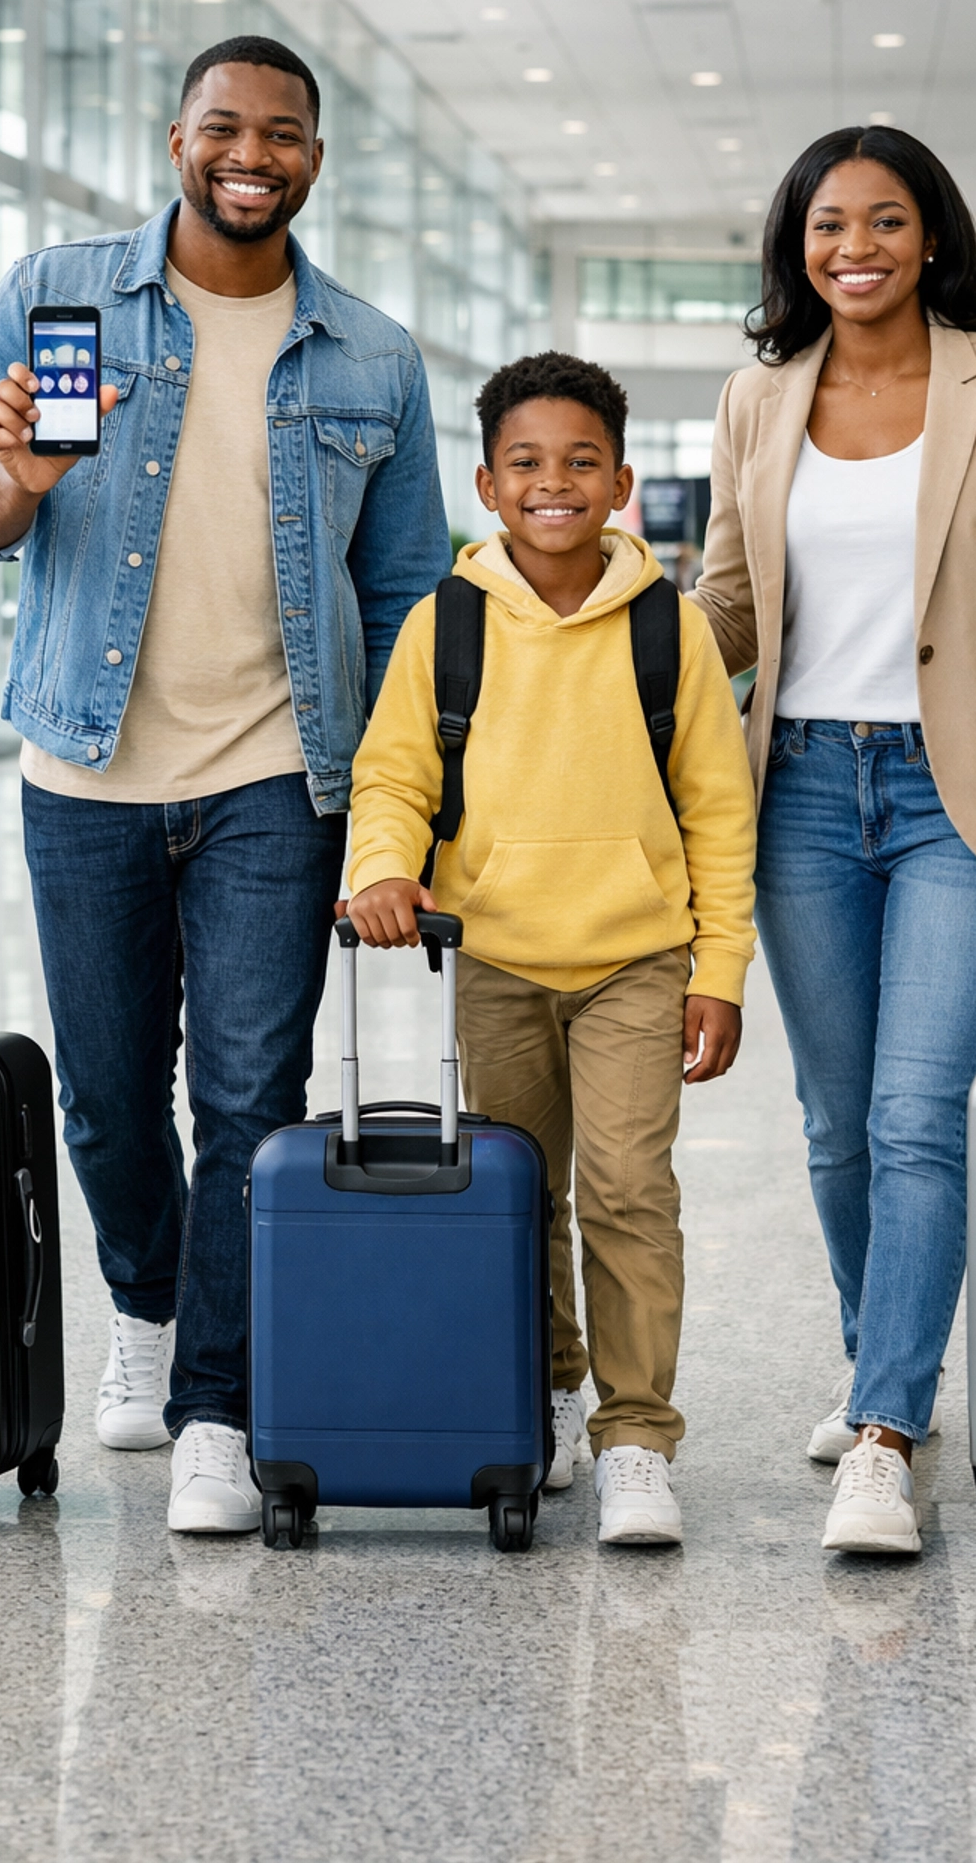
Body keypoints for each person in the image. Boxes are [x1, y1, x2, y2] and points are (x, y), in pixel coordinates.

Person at [0, 35, 450, 1535]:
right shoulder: (59, 294)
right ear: (177, 143)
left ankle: (218, 1401)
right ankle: (146, 1306)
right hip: (84, 767)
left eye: (281, 134)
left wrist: (408, 805)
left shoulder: (374, 357)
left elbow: (408, 594)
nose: (250, 155)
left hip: (280, 777)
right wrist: (18, 484)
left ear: (314, 160)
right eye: (225, 127)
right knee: (103, 1100)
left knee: (248, 1097)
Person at [692, 125, 976, 1558]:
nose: (856, 248)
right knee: (835, 1125)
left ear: (932, 235)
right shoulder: (758, 397)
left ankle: (882, 1432)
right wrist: (592, 629)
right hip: (801, 790)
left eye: (884, 221)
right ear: (797, 243)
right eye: (829, 224)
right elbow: (728, 607)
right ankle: (881, 1356)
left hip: (969, 790)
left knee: (915, 1115)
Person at [342, 352, 757, 1548]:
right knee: (519, 1197)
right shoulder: (446, 622)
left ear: (621, 483)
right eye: (525, 462)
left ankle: (638, 1439)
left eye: (581, 461)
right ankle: (556, 1385)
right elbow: (394, 774)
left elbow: (719, 815)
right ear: (487, 485)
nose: (554, 482)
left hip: (638, 958)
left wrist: (720, 972)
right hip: (496, 955)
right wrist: (382, 867)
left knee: (628, 1193)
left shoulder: (673, 629)